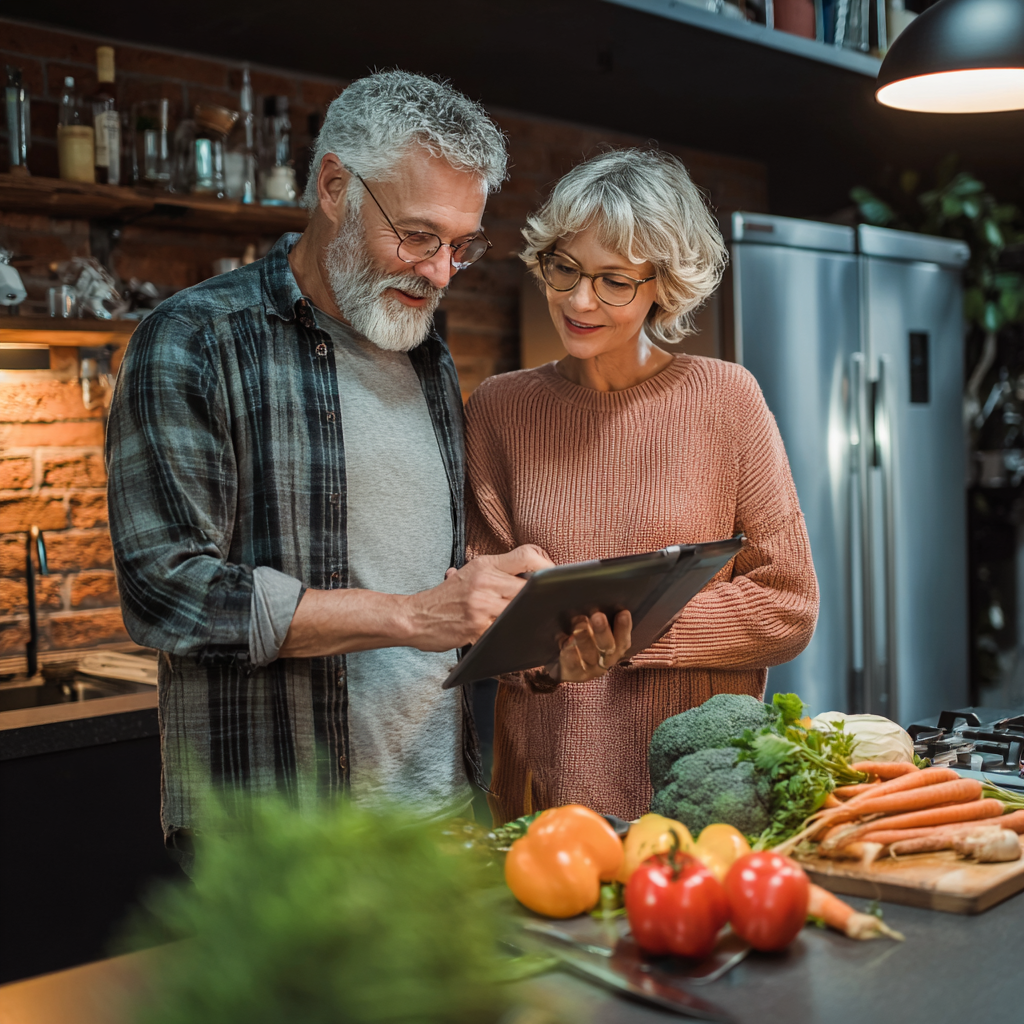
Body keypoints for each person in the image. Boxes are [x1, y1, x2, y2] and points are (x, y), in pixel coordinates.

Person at [106, 71, 552, 864]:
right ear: (336, 186)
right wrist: (413, 616)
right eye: (418, 236)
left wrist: (530, 632)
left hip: (441, 817)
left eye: (462, 246)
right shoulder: (194, 340)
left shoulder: (428, 359)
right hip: (280, 841)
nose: (442, 272)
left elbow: (438, 588)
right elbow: (165, 589)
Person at [465, 149, 819, 823]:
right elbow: (484, 620)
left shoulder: (727, 401)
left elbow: (788, 605)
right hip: (545, 806)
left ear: (664, 283)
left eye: (613, 281)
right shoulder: (497, 410)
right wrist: (546, 664)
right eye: (563, 267)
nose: (577, 299)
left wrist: (637, 632)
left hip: (704, 808)